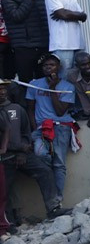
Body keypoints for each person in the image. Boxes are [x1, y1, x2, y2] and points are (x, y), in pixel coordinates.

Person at [1, 82, 63, 219]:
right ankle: (8, 222)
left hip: (22, 155)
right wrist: (19, 148)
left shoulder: (16, 109)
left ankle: (53, 208)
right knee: (4, 189)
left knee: (45, 171)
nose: (2, 92)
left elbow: (26, 132)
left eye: (3, 88)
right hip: (3, 158)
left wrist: (22, 152)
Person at [26, 54, 76, 201]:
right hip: (41, 128)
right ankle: (51, 190)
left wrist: (52, 88)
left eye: (52, 65)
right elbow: (30, 108)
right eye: (45, 66)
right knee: (40, 155)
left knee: (59, 164)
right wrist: (35, 128)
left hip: (61, 126)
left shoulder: (68, 87)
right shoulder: (34, 84)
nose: (49, 68)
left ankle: (57, 199)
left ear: (58, 67)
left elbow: (60, 111)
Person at [1, 0, 48, 81]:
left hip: (42, 46)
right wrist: (29, 0)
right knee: (25, 82)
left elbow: (45, 21)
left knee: (43, 80)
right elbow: (16, 16)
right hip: (23, 47)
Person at [41, 0, 85, 72]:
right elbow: (61, 14)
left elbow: (83, 16)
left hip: (78, 42)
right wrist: (67, 14)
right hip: (62, 44)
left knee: (78, 75)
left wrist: (67, 13)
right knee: (64, 75)